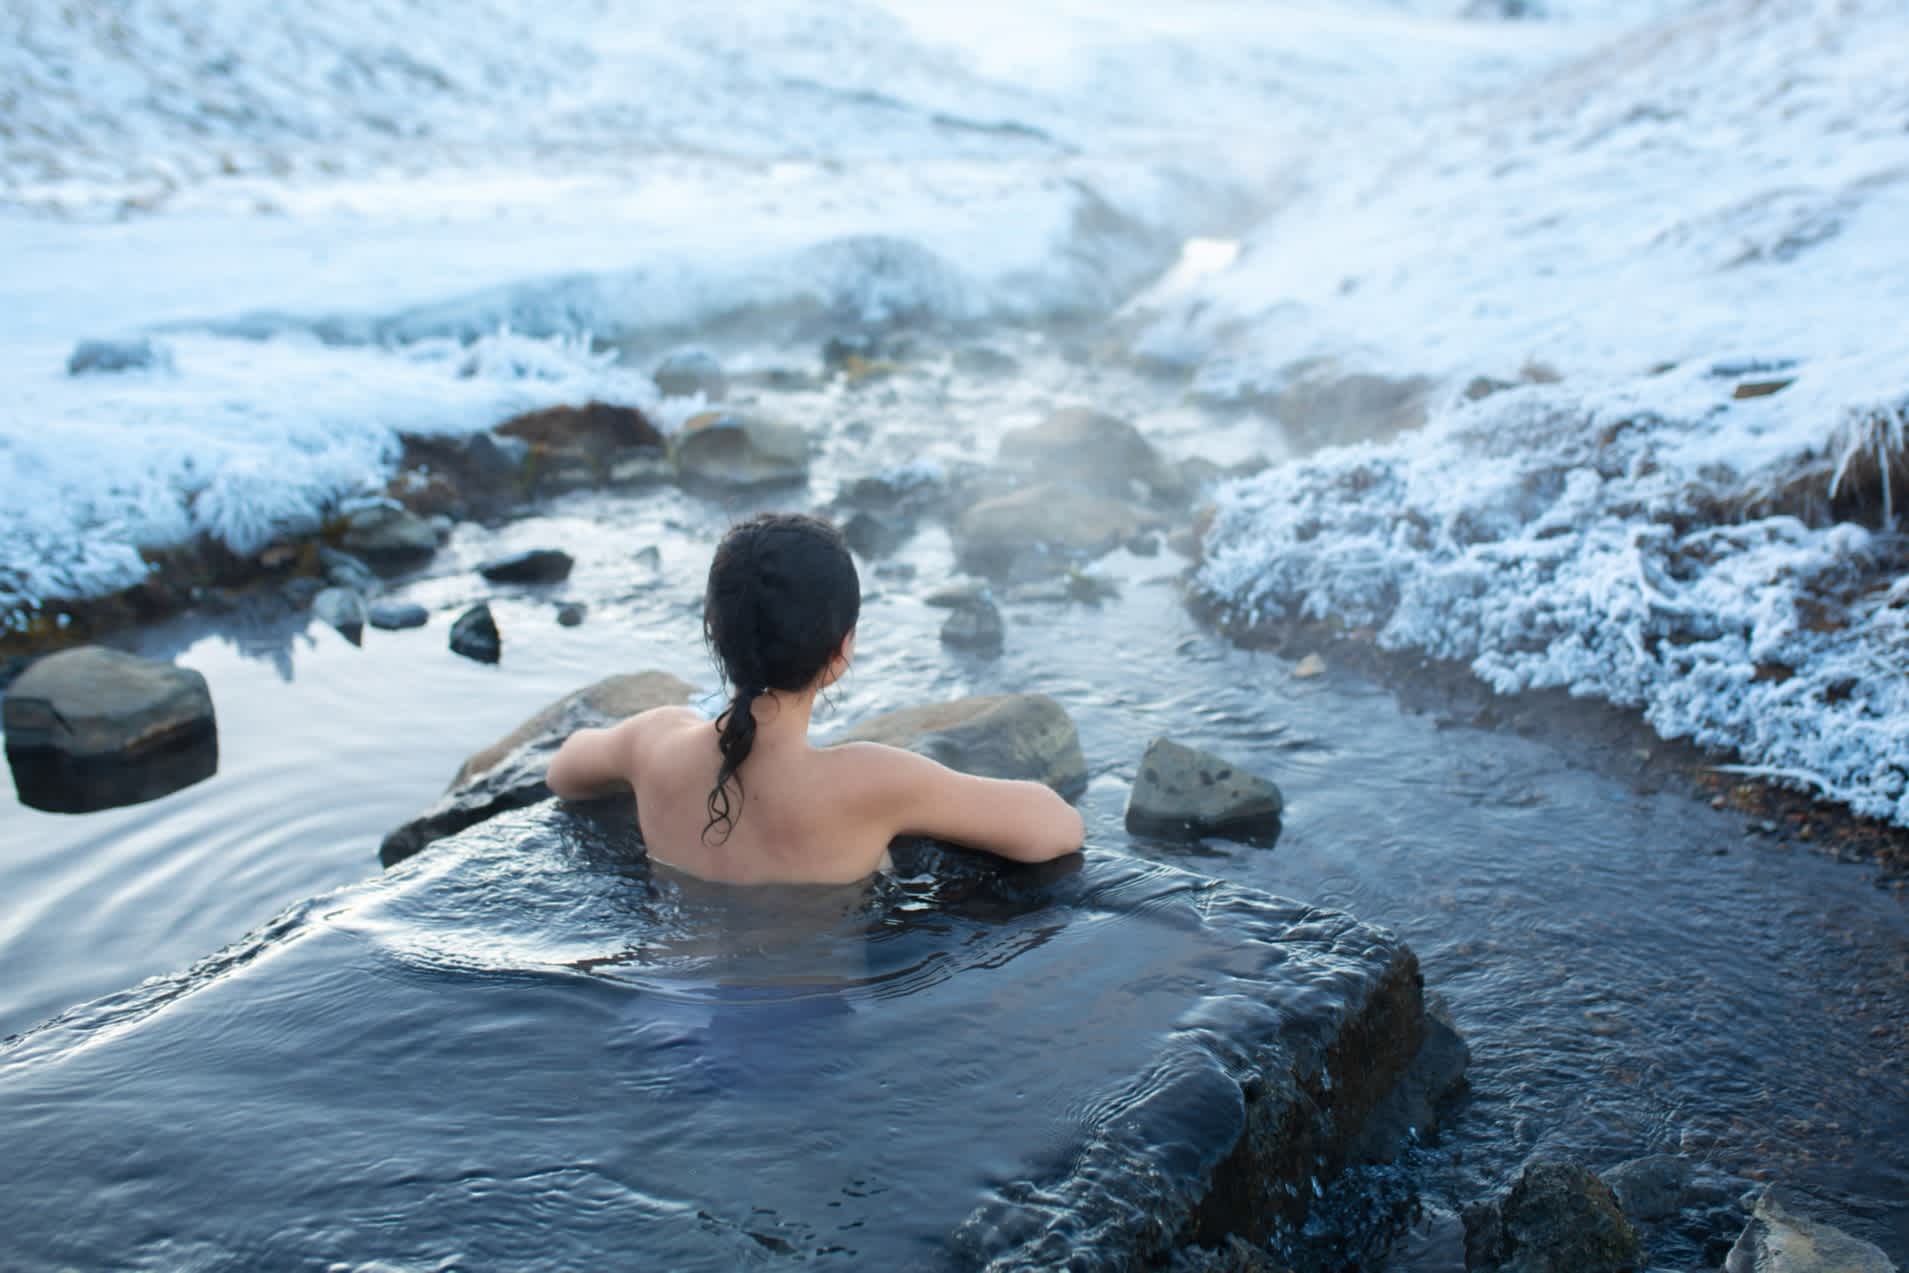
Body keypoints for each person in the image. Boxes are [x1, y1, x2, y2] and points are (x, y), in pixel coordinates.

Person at [546, 512, 1084, 884]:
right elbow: (1057, 829)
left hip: (664, 1016)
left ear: (713, 629)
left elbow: (563, 772)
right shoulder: (871, 782)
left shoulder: (654, 742)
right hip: (810, 1036)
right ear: (841, 650)